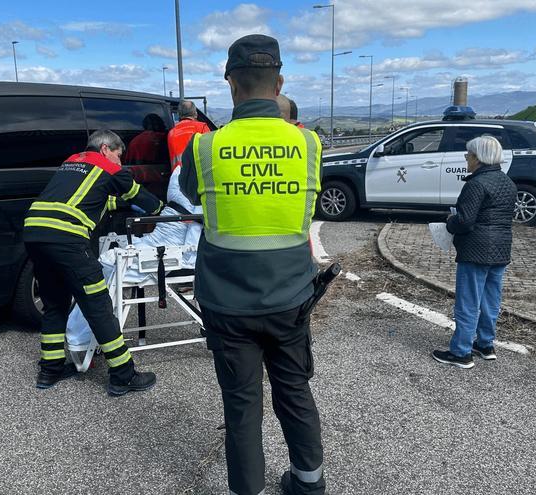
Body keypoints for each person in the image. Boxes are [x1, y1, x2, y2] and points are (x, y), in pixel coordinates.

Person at [180, 34, 325, 495]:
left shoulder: (203, 148)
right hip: (290, 297)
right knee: (295, 392)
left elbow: (189, 192)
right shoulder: (310, 144)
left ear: (230, 84)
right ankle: (308, 483)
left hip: (227, 300)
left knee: (241, 406)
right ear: (279, 82)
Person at [23, 129, 163, 394]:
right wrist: (159, 208)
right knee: (98, 304)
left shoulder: (72, 163)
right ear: (105, 150)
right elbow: (140, 197)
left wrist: (118, 205)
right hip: (66, 238)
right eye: (119, 156)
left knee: (54, 303)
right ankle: (123, 374)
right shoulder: (109, 169)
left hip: (34, 232)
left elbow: (91, 200)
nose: (120, 162)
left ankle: (50, 370)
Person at [432, 135, 517, 369]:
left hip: (475, 250)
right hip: (501, 249)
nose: (466, 159)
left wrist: (450, 222)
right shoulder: (507, 182)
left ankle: (461, 352)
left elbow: (465, 221)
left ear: (478, 158)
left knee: (468, 302)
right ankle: (486, 344)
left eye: (468, 155)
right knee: (491, 300)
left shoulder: (476, 184)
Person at [168, 100, 211, 171]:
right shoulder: (202, 127)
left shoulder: (171, 132)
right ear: (195, 113)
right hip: (199, 173)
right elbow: (210, 151)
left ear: (179, 114)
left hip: (178, 176)